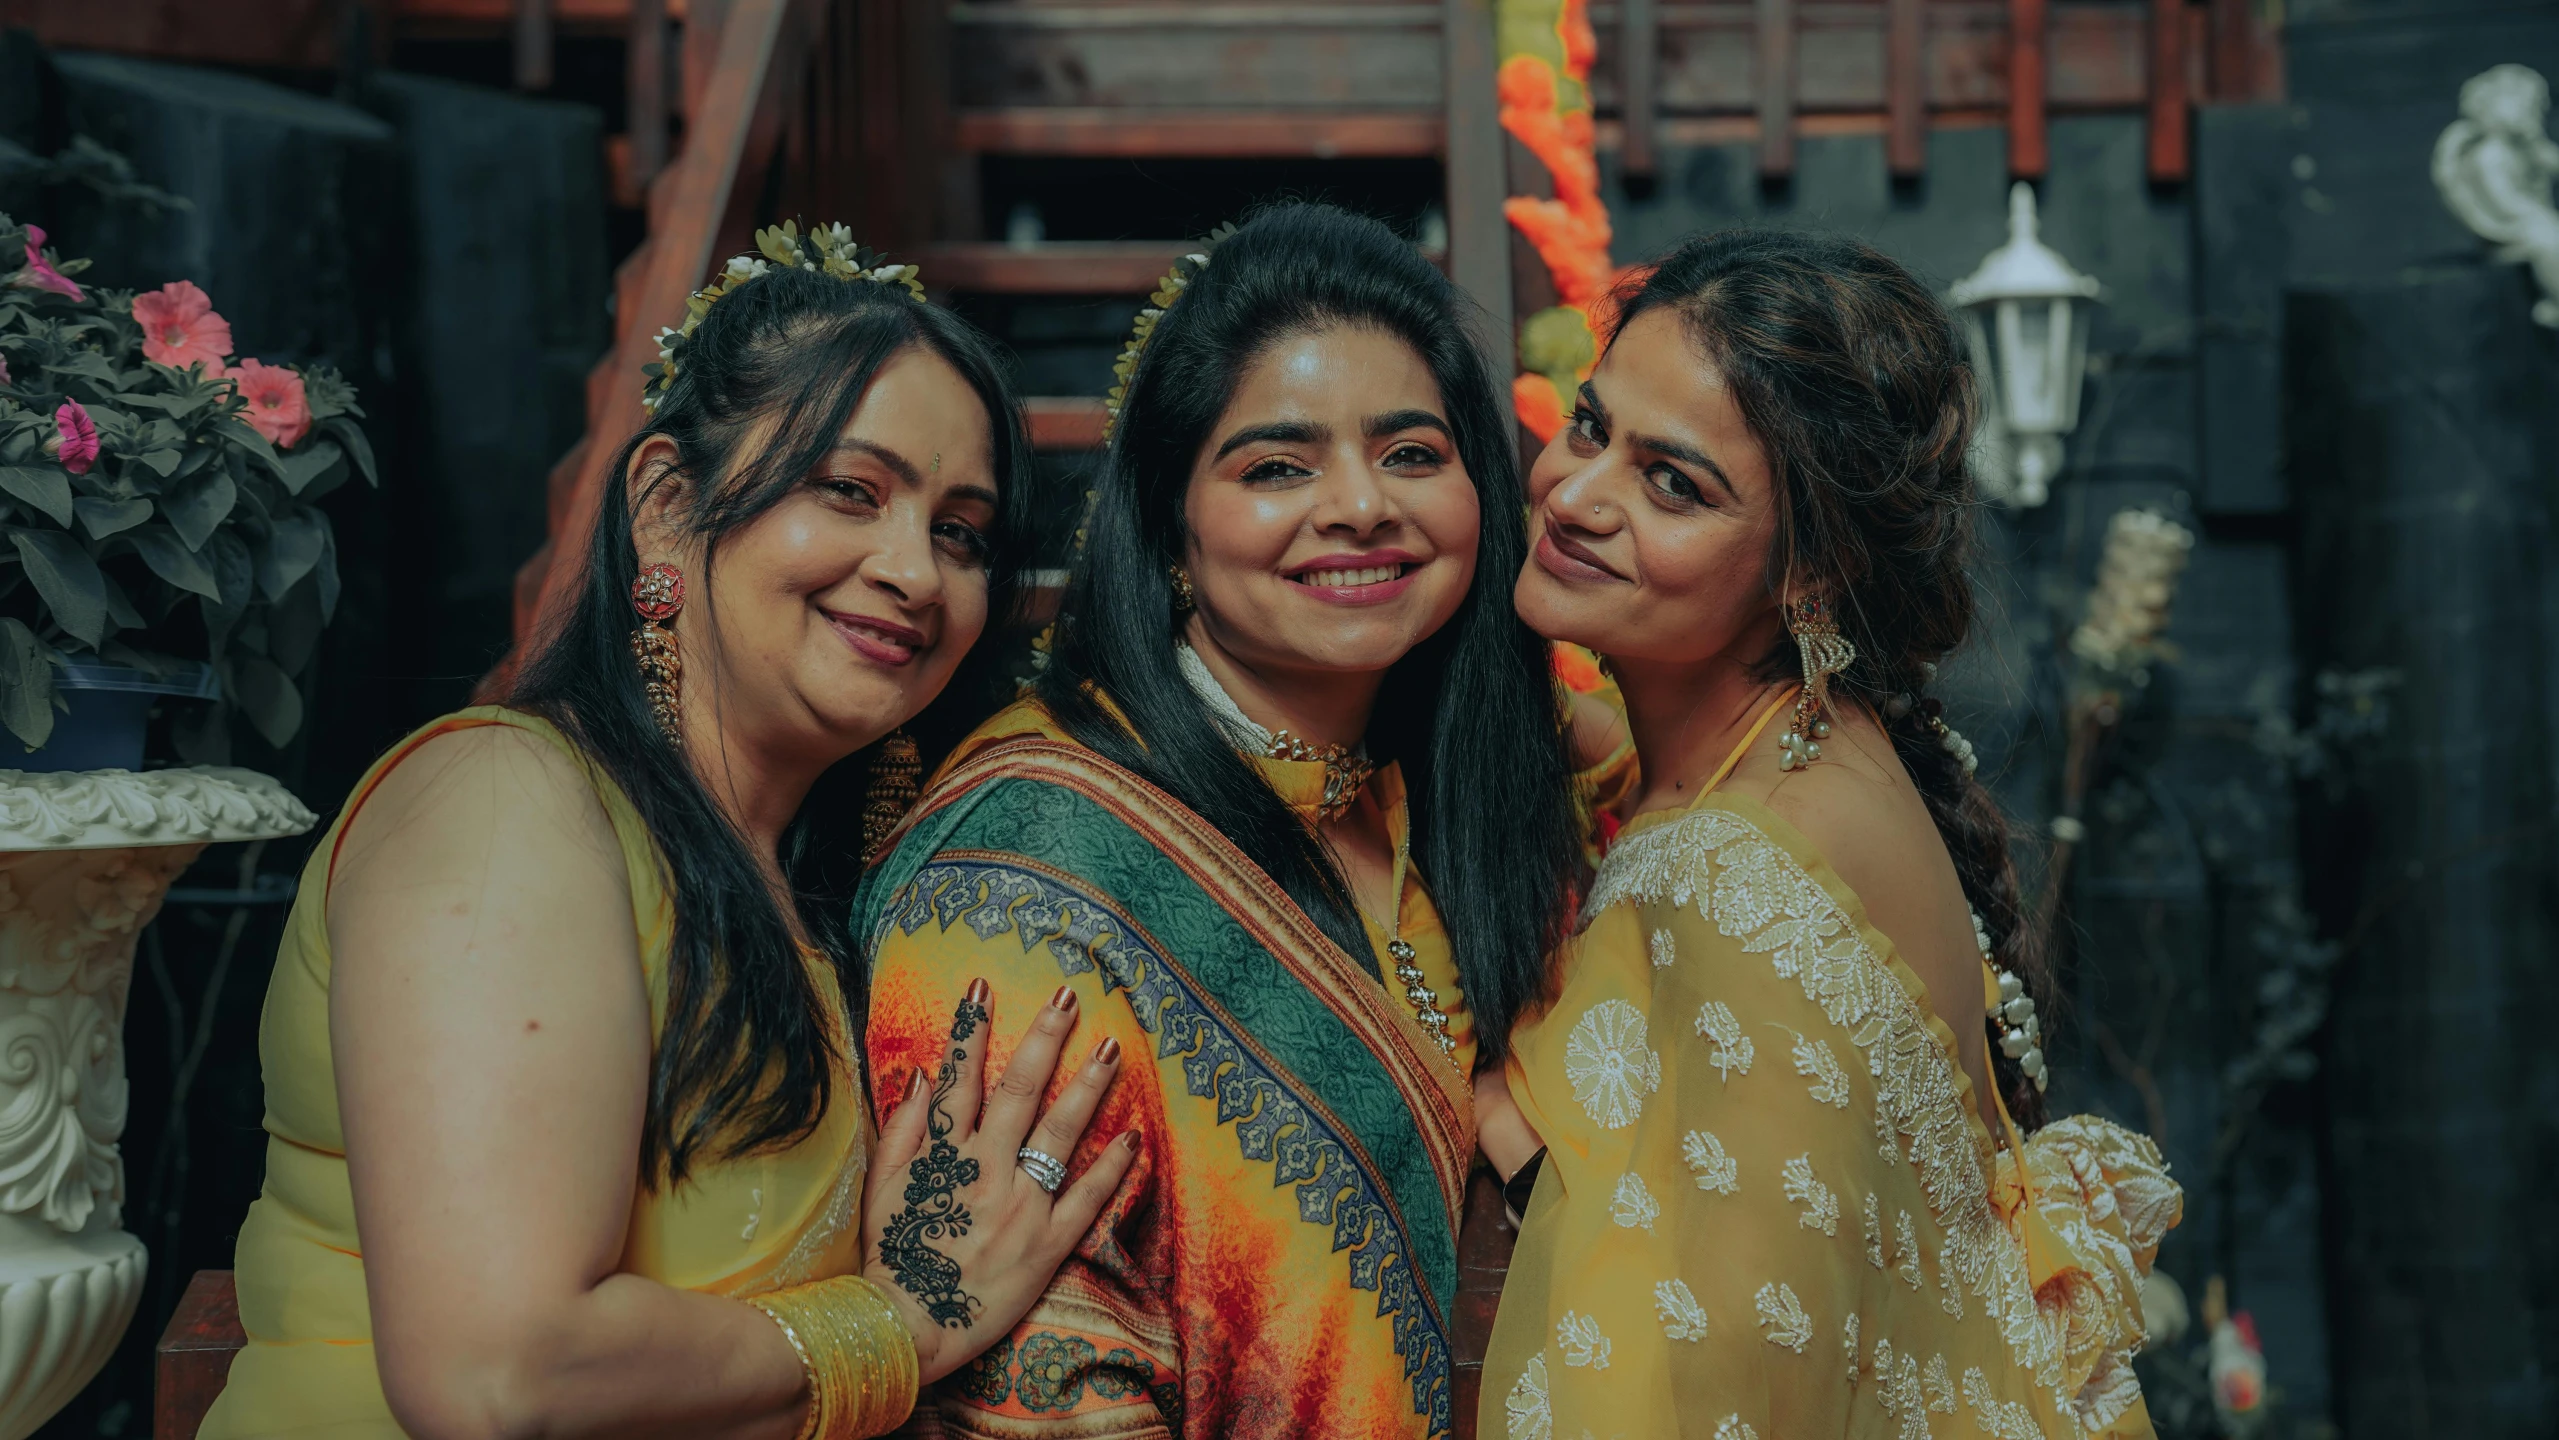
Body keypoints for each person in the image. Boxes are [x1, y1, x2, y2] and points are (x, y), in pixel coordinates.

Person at [202, 227, 1138, 1440]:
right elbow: (502, 1377)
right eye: (850, 491)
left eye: (961, 532)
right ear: (665, 505)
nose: (915, 569)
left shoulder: (806, 892)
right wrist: (903, 1323)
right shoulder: (506, 804)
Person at [853, 203, 1584, 1439]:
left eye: (1412, 453)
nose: (1361, 506)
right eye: (1277, 467)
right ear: (1173, 528)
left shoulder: (1417, 797)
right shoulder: (1033, 866)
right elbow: (1022, 1391)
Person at [1477, 229, 2184, 1440]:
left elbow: (1713, 1390)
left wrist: (1470, 1097)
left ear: (1809, 573)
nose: (1576, 495)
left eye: (1673, 484)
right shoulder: (1793, 747)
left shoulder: (1736, 869)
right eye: (1592, 427)